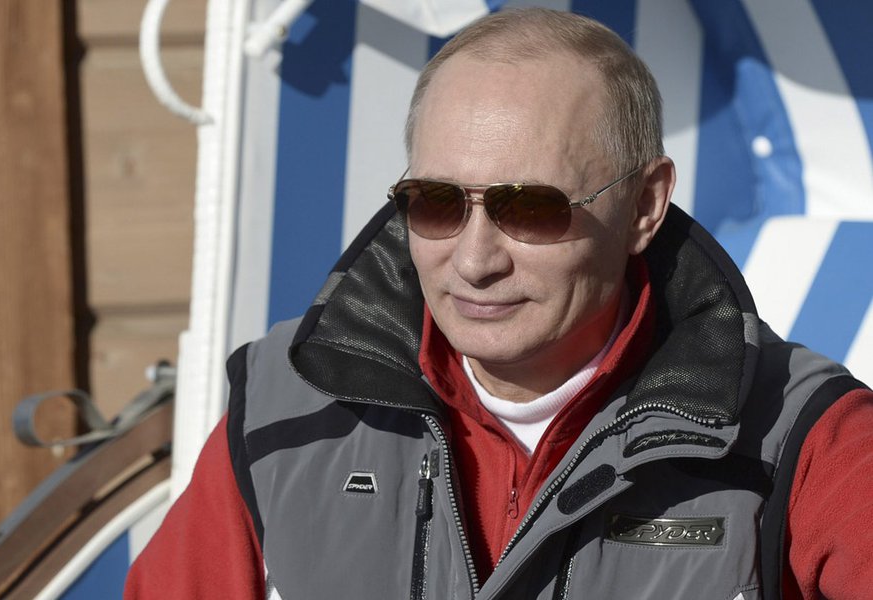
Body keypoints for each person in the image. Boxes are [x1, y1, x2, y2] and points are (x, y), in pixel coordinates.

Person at [125, 8, 873, 599]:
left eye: (531, 208)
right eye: (436, 202)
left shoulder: (803, 436)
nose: (475, 259)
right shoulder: (281, 407)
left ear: (644, 207)